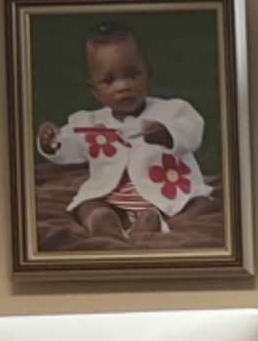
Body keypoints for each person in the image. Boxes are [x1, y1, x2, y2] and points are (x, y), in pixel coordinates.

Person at [34, 22, 213, 242]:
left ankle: (153, 222)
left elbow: (193, 130)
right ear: (95, 91)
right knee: (86, 204)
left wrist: (167, 134)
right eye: (109, 81)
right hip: (112, 197)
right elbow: (70, 146)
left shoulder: (172, 110)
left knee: (201, 202)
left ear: (148, 74)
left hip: (165, 193)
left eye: (132, 75)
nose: (122, 86)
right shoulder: (89, 122)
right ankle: (103, 221)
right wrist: (52, 142)